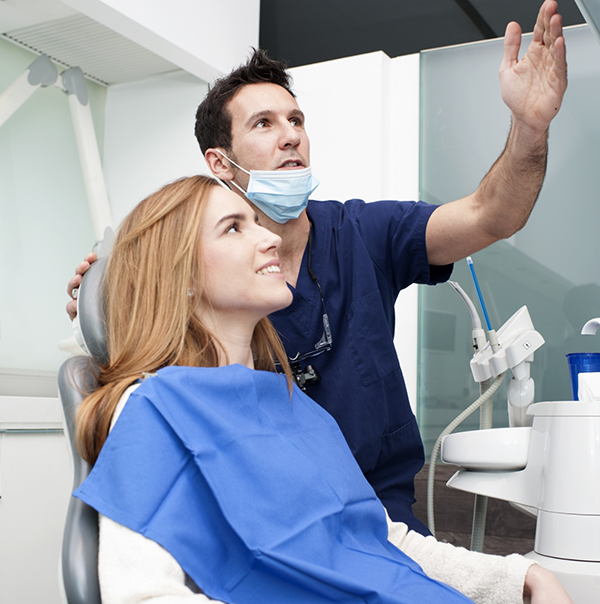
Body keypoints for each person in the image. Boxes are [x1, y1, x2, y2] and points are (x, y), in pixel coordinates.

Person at [67, 1, 568, 536]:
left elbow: (491, 215)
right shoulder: (197, 269)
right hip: (270, 520)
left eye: (296, 120)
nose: (291, 136)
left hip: (381, 519)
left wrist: (528, 128)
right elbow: (138, 336)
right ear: (220, 162)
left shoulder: (363, 233)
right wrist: (101, 296)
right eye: (264, 123)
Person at [74, 174, 572, 604]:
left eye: (257, 222)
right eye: (234, 227)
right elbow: (142, 594)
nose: (268, 237)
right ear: (179, 276)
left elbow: (378, 540)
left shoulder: (295, 407)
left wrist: (519, 576)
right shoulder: (154, 409)